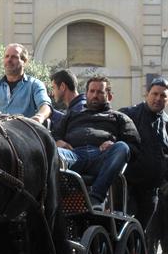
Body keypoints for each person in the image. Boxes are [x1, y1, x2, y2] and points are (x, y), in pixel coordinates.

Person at [54, 74, 140, 209]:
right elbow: (54, 135)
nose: (95, 95)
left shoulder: (120, 118)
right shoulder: (72, 115)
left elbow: (134, 147)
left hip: (102, 158)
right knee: (53, 153)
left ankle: (96, 198)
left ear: (109, 96)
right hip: (74, 156)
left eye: (100, 92)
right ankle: (55, 202)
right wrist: (58, 141)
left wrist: (113, 145)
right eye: (92, 91)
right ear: (86, 94)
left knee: (122, 147)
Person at [121, 77, 168, 236]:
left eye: (162, 96)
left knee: (140, 232)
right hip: (126, 187)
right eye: (154, 94)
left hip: (151, 190)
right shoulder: (127, 115)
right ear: (147, 94)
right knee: (124, 229)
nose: (158, 98)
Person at [0, 43, 51, 124]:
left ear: (24, 61)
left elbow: (45, 106)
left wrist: (39, 117)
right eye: (6, 56)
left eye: (14, 57)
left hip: (22, 134)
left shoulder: (34, 85)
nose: (9, 60)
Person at [48, 69, 85, 137]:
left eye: (53, 88)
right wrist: (50, 112)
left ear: (62, 86)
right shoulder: (77, 107)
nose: (52, 93)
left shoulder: (80, 108)